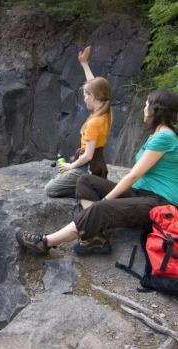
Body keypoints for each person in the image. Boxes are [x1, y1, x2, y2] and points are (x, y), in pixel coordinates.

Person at [17, 90, 178, 255]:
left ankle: (45, 243)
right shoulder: (156, 134)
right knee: (86, 181)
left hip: (159, 203)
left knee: (102, 206)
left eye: (147, 104)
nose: (144, 108)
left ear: (156, 110)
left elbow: (134, 175)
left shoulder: (164, 137)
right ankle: (97, 238)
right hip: (141, 193)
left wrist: (107, 199)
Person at [45, 46, 113, 198]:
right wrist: (84, 63)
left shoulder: (94, 122)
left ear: (93, 97)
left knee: (50, 189)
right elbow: (94, 84)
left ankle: (87, 187)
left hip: (87, 168)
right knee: (60, 179)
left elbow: (88, 155)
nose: (84, 98)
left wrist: (70, 166)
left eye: (85, 95)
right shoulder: (106, 110)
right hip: (97, 165)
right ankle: (87, 184)